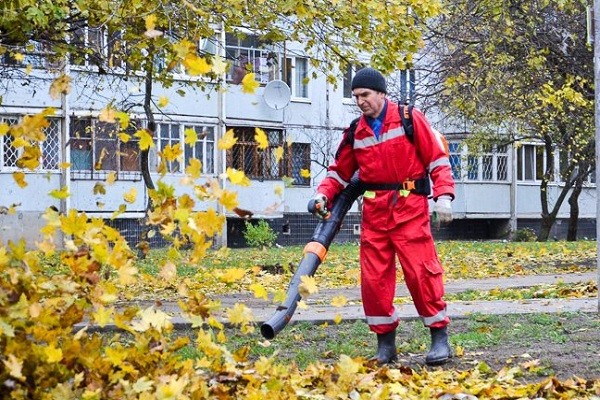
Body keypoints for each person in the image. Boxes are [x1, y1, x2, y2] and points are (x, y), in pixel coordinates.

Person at [309, 67, 455, 365]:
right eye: (356, 97)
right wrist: (322, 194)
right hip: (375, 216)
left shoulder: (408, 118)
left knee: (421, 273)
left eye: (365, 95)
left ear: (381, 93)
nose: (361, 101)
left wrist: (443, 196)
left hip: (409, 210)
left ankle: (440, 338)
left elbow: (437, 158)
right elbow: (340, 172)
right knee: (374, 282)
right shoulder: (356, 132)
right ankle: (386, 345)